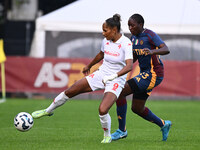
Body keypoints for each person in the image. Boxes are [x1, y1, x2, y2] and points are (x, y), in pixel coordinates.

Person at [32, 14, 133, 144]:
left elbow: (129, 66)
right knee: (70, 91)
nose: (103, 33)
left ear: (114, 30)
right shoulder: (106, 41)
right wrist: (89, 65)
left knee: (102, 110)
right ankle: (48, 110)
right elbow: (101, 54)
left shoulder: (126, 43)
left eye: (105, 30)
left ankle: (107, 135)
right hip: (101, 74)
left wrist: (113, 76)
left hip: (116, 79)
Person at [111, 14, 172, 141]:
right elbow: (135, 57)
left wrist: (152, 51)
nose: (130, 28)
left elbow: (166, 49)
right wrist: (122, 67)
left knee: (120, 91)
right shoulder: (133, 38)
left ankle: (121, 131)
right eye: (128, 25)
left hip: (154, 74)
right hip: (144, 74)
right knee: (137, 108)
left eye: (132, 25)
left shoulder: (150, 35)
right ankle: (163, 124)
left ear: (141, 24)